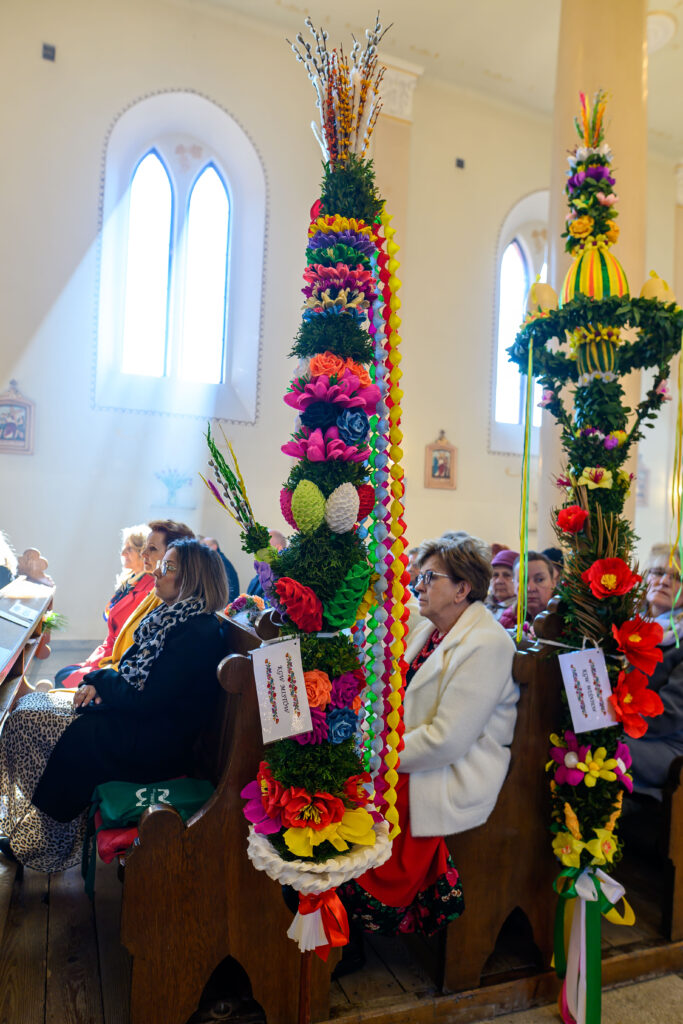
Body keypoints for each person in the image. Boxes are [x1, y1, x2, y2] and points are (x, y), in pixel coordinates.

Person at [0, 538, 229, 871]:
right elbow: (132, 674)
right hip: (140, 723)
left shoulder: (196, 632)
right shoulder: (173, 618)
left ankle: (49, 836)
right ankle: (49, 825)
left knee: (30, 721)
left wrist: (99, 682)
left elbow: (145, 699)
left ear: (193, 576)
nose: (159, 574)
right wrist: (99, 682)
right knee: (30, 708)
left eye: (169, 567)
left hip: (153, 743)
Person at [338, 534, 517, 957]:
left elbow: (446, 740)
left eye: (429, 577)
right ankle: (339, 922)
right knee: (338, 782)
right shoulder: (430, 631)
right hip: (412, 756)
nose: (417, 585)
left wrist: (372, 756)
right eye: (419, 575)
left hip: (455, 770)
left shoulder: (487, 643)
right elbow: (393, 701)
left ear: (462, 588)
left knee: (351, 797)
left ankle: (357, 918)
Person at [54, 524, 154, 688]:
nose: (123, 554)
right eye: (124, 548)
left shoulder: (148, 589)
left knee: (64, 678)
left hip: (119, 660)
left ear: (143, 552)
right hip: (106, 653)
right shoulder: (130, 580)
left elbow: (128, 640)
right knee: (62, 674)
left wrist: (100, 664)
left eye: (129, 549)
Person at [97, 520, 195, 672]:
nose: (144, 554)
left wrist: (100, 677)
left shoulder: (167, 598)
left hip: (120, 670)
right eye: (145, 548)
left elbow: (143, 663)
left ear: (173, 555)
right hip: (112, 662)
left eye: (152, 549)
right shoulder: (153, 591)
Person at [626, 546, 683, 799]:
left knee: (599, 746)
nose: (664, 581)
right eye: (658, 572)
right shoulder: (630, 627)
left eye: (676, 576)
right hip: (629, 728)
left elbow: (670, 713)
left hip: (667, 743)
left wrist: (610, 721)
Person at [499, 551, 556, 631]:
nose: (530, 588)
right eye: (523, 581)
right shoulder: (508, 619)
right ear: (514, 585)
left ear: (553, 583)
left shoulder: (569, 620)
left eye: (539, 580)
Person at [200, 536, 240, 602]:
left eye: (204, 546)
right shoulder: (220, 559)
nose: (201, 550)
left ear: (214, 546)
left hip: (226, 603)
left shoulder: (219, 561)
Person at [485, 548, 518, 621]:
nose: (499, 581)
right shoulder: (480, 605)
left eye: (506, 575)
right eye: (495, 575)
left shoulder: (522, 613)